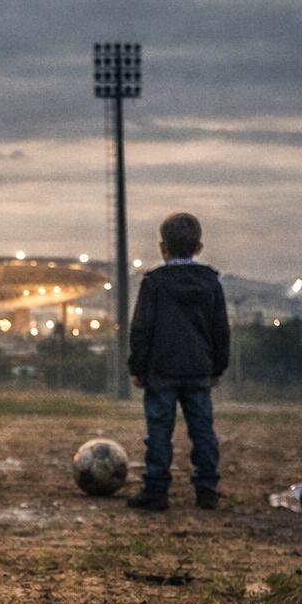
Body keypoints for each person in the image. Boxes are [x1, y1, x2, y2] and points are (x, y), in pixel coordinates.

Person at [126, 212, 230, 511]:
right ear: (198, 247)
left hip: (162, 370)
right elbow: (220, 329)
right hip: (198, 369)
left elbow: (141, 328)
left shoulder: (155, 284)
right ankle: (207, 489)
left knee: (159, 431)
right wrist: (218, 367)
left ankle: (156, 490)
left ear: (163, 247)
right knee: (203, 430)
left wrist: (138, 367)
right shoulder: (211, 283)